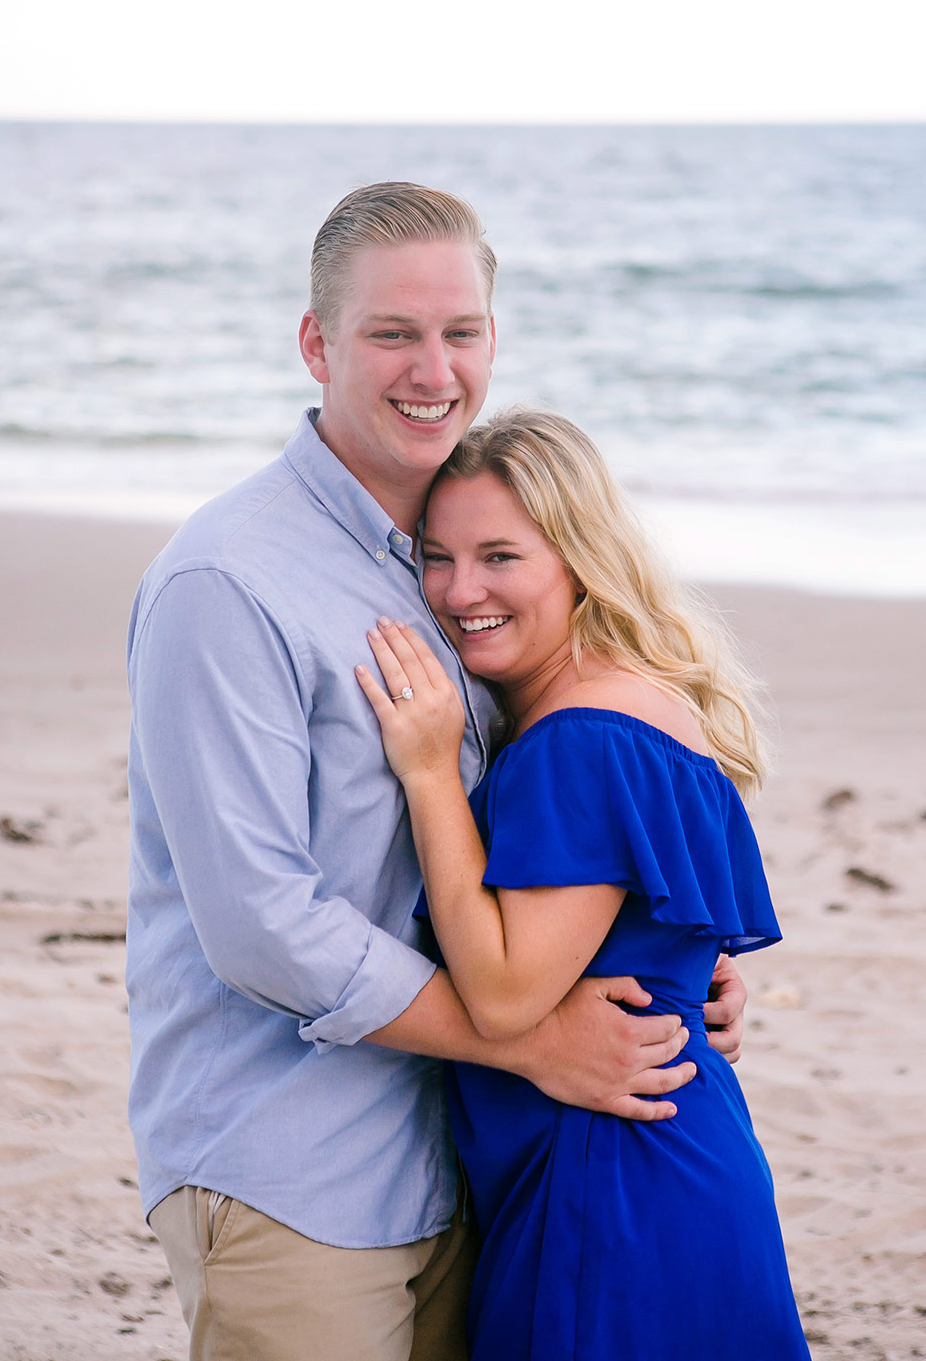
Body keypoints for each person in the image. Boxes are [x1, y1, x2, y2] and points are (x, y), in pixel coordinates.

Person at [126, 184, 746, 1361]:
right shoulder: (230, 583)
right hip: (291, 1170)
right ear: (317, 342)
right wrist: (527, 1036)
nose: (433, 366)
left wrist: (658, 962)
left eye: (460, 330)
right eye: (392, 333)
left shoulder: (458, 560)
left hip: (464, 1165)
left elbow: (559, 815)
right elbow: (259, 924)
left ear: (494, 339)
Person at [356, 407, 810, 1361]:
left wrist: (433, 773)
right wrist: (700, 988)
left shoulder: (580, 738)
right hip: (671, 1161)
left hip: (610, 1184)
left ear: (578, 559)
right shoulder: (642, 702)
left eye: (499, 557)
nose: (458, 589)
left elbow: (507, 993)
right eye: (435, 557)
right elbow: (675, 939)